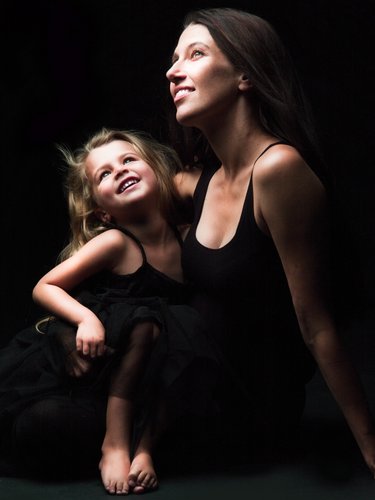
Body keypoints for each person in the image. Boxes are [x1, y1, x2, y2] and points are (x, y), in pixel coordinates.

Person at [165, 7, 375, 475]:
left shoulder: (278, 170)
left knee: (49, 424)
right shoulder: (199, 181)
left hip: (244, 412)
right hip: (185, 393)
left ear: (245, 74)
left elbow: (315, 324)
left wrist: (369, 443)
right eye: (174, 58)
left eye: (195, 54)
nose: (173, 70)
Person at [0, 127, 218, 493]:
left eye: (129, 160)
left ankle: (144, 448)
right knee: (40, 423)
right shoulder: (116, 243)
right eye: (104, 174)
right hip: (100, 368)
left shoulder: (190, 237)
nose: (119, 170)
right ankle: (115, 443)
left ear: (158, 171)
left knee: (178, 336)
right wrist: (85, 319)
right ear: (102, 212)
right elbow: (45, 286)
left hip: (157, 376)